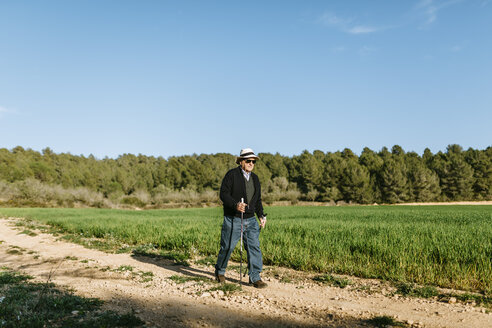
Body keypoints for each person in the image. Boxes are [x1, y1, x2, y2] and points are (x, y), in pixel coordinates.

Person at [214, 148, 267, 288]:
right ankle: (220, 272)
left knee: (254, 248)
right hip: (233, 218)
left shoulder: (255, 178)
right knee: (228, 247)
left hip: (250, 220)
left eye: (253, 161)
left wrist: (261, 215)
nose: (251, 163)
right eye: (248, 161)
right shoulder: (231, 175)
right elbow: (223, 194)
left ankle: (255, 277)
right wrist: (235, 205)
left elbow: (258, 200)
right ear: (241, 161)